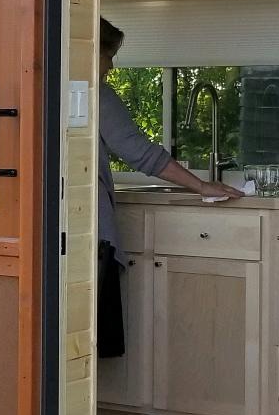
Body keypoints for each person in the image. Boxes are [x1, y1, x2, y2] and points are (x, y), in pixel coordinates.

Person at [96, 18, 242, 359]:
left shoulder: (42, 87)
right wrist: (201, 185)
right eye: (109, 55)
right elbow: (142, 154)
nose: (112, 66)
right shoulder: (94, 95)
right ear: (90, 50)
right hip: (92, 236)